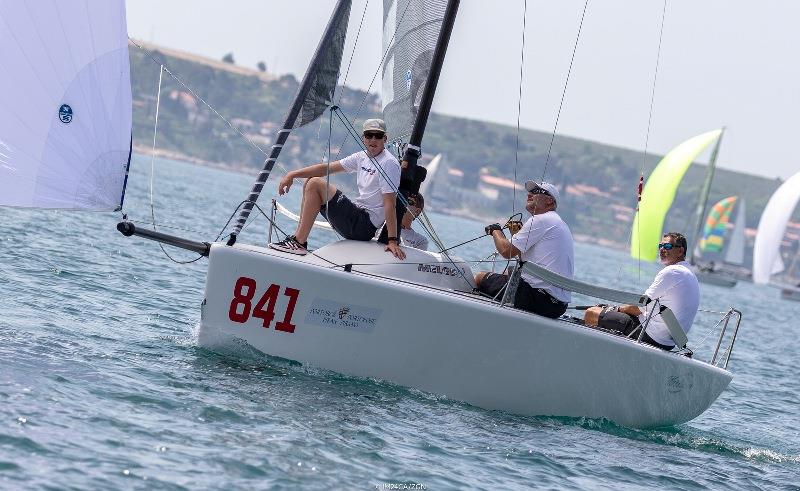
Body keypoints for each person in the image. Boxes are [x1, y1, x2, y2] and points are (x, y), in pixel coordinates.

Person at [269, 118, 405, 260]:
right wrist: (292, 174)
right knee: (310, 182)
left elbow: (390, 204)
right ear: (363, 138)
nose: (373, 139)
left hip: (364, 226)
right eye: (369, 135)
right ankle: (298, 240)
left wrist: (393, 241)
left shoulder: (389, 163)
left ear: (385, 138)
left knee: (315, 183)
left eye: (378, 136)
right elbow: (325, 169)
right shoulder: (361, 157)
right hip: (357, 215)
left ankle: (299, 242)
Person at [475, 180, 574, 318]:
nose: (529, 195)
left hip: (537, 298)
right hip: (557, 307)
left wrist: (496, 230)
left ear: (550, 202)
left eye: (536, 192)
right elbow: (527, 261)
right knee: (505, 276)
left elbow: (506, 251)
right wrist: (516, 236)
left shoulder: (541, 220)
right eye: (529, 192)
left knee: (480, 277)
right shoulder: (559, 223)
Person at [585, 232, 700, 350]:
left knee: (592, 313)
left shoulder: (672, 272)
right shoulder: (690, 274)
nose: (662, 249)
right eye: (660, 246)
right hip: (670, 343)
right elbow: (646, 307)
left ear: (680, 251)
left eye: (667, 246)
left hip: (651, 335)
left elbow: (639, 306)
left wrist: (617, 308)